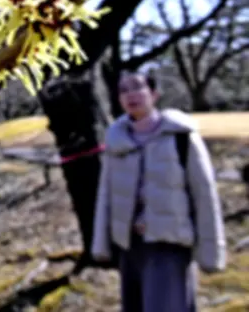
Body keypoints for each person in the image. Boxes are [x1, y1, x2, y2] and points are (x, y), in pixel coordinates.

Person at [92, 68, 226, 312]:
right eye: (123, 90)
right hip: (130, 248)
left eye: (138, 87)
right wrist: (101, 244)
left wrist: (211, 252)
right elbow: (105, 195)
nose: (130, 95)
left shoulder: (180, 136)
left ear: (154, 94)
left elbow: (204, 195)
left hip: (169, 246)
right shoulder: (117, 140)